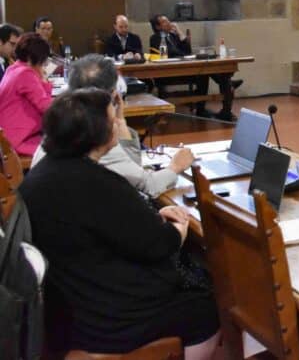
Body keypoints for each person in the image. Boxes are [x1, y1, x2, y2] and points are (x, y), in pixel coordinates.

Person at [18, 89, 220, 356]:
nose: (117, 123)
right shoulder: (98, 183)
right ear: (96, 133)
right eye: (113, 119)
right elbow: (159, 245)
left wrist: (153, 218)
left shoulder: (39, 176)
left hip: (64, 309)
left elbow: (107, 227)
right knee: (205, 308)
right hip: (107, 319)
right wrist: (178, 230)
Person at [30, 54, 193, 198]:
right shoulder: (95, 136)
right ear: (114, 94)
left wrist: (120, 121)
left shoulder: (60, 125)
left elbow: (131, 171)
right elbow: (148, 186)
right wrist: (175, 166)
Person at [149, 14, 236, 121]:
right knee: (214, 75)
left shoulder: (173, 36)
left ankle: (203, 109)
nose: (169, 23)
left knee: (204, 72)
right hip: (169, 73)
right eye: (164, 22)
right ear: (158, 27)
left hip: (184, 69)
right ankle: (225, 81)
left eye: (168, 21)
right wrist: (182, 54)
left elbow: (187, 51)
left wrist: (179, 32)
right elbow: (171, 53)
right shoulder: (155, 38)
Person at [0, 32, 53, 155]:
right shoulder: (25, 73)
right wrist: (44, 80)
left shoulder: (13, 68)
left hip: (9, 136)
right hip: (18, 140)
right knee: (65, 150)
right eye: (42, 59)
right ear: (31, 57)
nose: (43, 64)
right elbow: (46, 107)